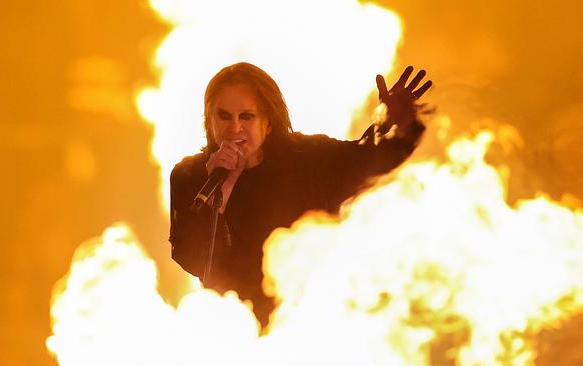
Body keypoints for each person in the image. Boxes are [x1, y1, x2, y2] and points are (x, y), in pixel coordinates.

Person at [169, 62, 431, 326]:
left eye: (246, 116)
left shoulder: (310, 159)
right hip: (234, 330)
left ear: (268, 121)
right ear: (209, 119)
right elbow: (190, 256)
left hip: (306, 325)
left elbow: (369, 157)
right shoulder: (190, 175)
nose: (234, 128)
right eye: (223, 116)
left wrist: (395, 122)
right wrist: (221, 192)